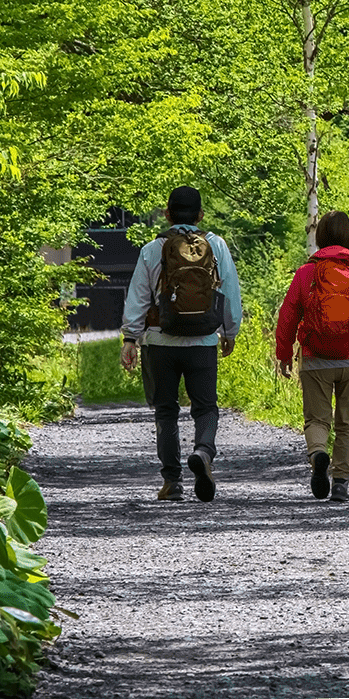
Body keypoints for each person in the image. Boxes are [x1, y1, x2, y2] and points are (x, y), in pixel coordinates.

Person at [119, 185, 243, 503]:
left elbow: (138, 297)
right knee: (206, 407)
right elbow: (229, 293)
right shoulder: (216, 245)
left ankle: (172, 481)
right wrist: (230, 331)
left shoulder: (152, 249)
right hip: (203, 339)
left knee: (166, 411)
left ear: (167, 214)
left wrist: (130, 337)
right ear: (200, 215)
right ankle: (203, 452)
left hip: (160, 341)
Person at [273, 211, 349, 503]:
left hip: (315, 358)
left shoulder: (306, 273)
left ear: (320, 237)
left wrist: (283, 354)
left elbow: (288, 316)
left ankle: (318, 454)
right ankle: (340, 484)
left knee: (317, 419)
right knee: (347, 424)